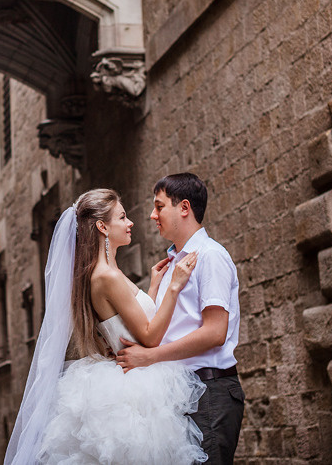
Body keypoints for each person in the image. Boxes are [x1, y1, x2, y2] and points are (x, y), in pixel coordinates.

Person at [5, 188, 208, 465]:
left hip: (127, 376)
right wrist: (174, 286)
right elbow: (149, 337)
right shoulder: (107, 276)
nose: (130, 222)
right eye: (122, 217)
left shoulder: (106, 272)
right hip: (132, 388)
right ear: (102, 226)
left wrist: (152, 288)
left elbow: (127, 323)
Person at [116, 173, 244, 465]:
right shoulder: (172, 264)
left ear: (184, 207)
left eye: (159, 207)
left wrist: (150, 357)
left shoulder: (210, 256)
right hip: (180, 394)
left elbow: (215, 332)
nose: (152, 215)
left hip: (209, 392)